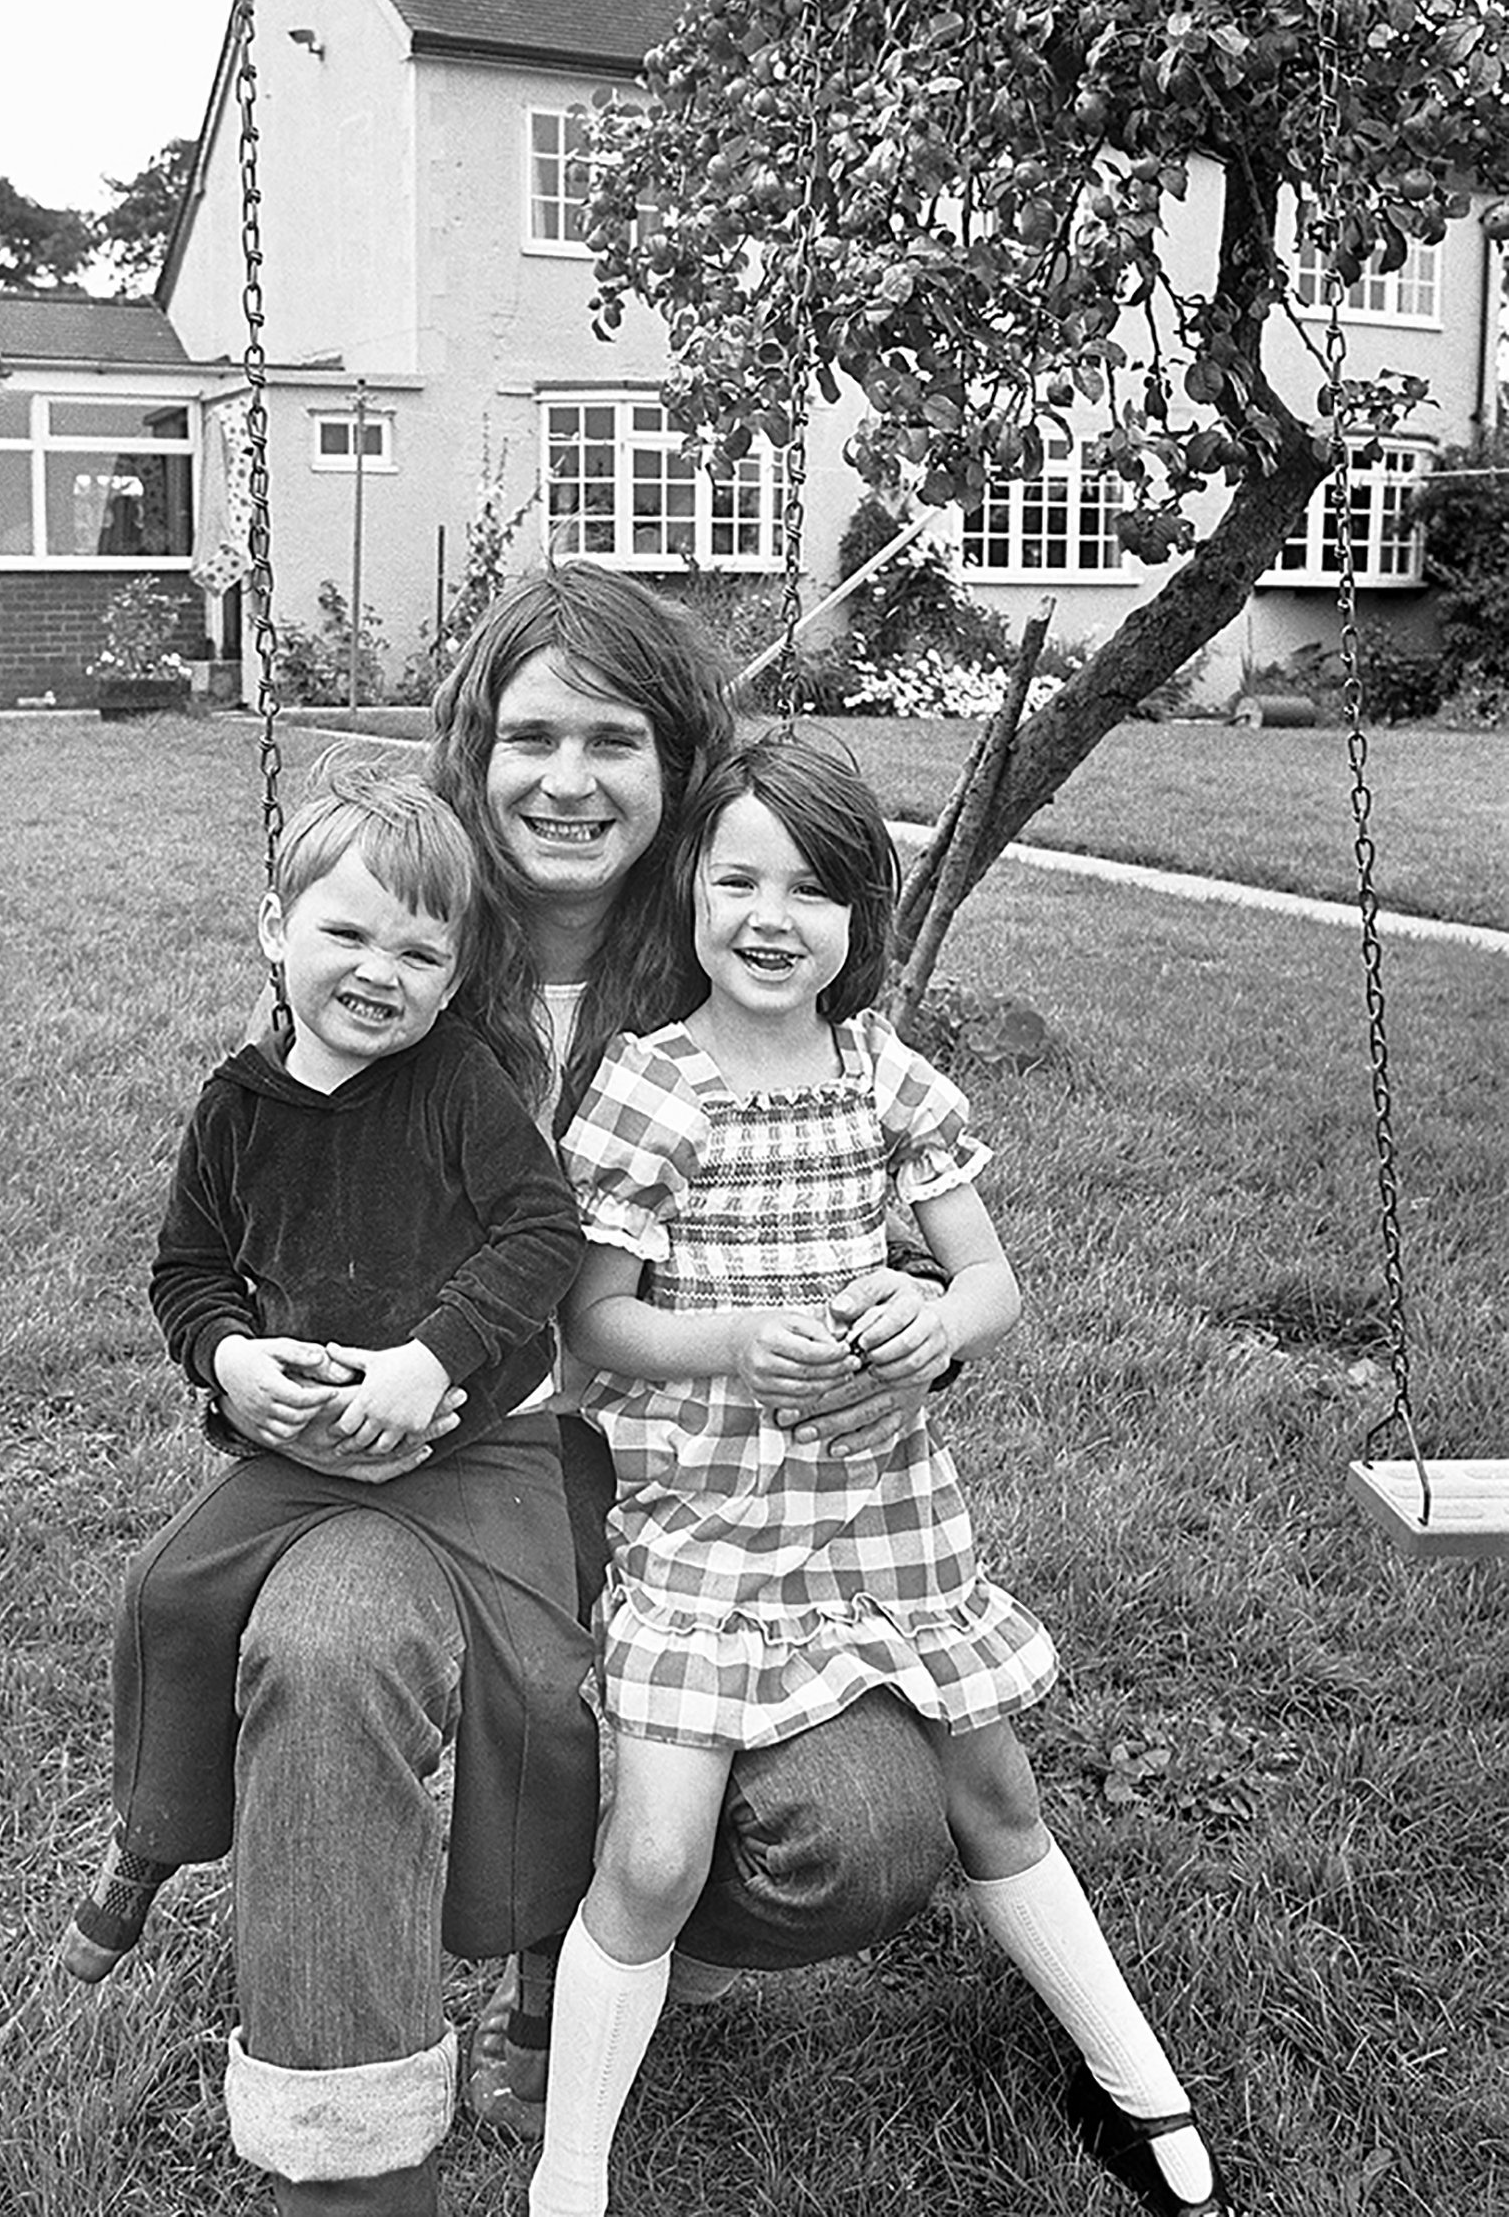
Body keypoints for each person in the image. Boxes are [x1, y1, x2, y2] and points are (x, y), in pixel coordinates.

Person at [213, 566, 963, 2217]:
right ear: (472, 749)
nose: (566, 775)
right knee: (327, 1649)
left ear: (681, 759)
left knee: (863, 1826)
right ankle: (350, 2166)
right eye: (529, 731)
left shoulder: (736, 941)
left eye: (612, 737)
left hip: (697, 1486)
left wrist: (916, 1312)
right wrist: (248, 1355)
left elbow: (881, 1207)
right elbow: (253, 1204)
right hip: (423, 1465)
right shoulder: (398, 934)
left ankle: (600, 1945)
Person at [527, 735, 1233, 2217]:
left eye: (816, 887)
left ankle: (1142, 2095)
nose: (772, 916)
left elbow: (992, 1283)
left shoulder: (885, 1076)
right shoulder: (653, 1085)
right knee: (652, 1854)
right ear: (691, 889)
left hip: (884, 1507)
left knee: (995, 1790)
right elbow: (591, 1321)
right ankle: (569, 2174)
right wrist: (732, 1338)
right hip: (710, 1517)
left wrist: (928, 1321)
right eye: (738, 878)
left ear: (867, 916)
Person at [59, 764, 593, 1997]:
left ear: (455, 976)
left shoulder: (457, 1085)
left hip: (475, 1439)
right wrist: (237, 1362)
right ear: (273, 929)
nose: (376, 971)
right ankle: (150, 1837)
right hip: (302, 1442)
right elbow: (188, 1272)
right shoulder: (234, 1110)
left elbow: (541, 1236)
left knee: (543, 1688)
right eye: (344, 931)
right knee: (168, 1591)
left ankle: (532, 1957)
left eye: (417, 951)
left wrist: (430, 1357)